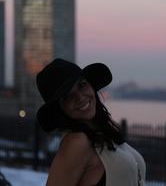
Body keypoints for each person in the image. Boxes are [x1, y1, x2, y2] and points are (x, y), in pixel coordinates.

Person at [36, 58, 146, 186]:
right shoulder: (77, 142)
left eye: (82, 85)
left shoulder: (106, 129)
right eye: (67, 96)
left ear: (91, 85)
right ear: (59, 108)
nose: (80, 97)